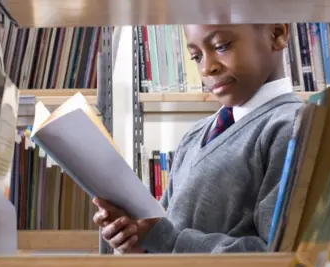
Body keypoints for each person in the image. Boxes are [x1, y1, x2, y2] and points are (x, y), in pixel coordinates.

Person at [92, 23, 304, 254]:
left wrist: (164, 239)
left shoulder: (290, 128)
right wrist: (139, 239)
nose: (206, 68)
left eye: (221, 46)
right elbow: (166, 234)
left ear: (277, 34)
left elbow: (277, 255)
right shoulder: (196, 134)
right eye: (196, 57)